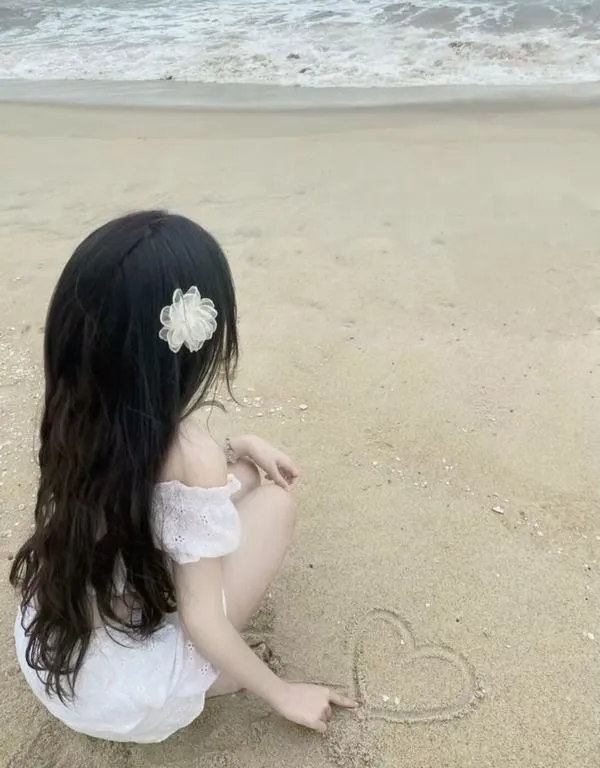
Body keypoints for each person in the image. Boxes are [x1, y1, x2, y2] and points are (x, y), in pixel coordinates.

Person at [10, 211, 357, 743]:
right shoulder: (190, 453)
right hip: (129, 700)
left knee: (244, 480)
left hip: (56, 663)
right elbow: (202, 619)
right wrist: (282, 692)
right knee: (275, 505)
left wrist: (240, 449)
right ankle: (211, 682)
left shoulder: (73, 410)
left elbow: (152, 489)